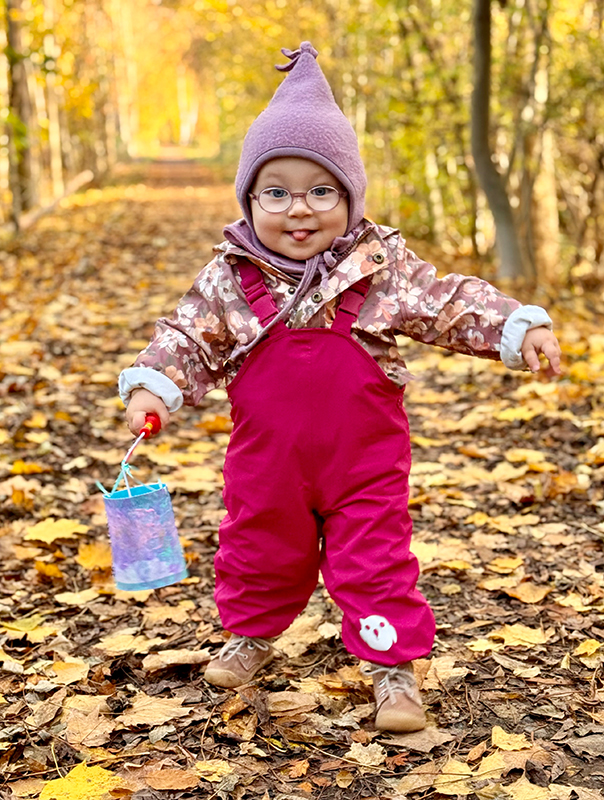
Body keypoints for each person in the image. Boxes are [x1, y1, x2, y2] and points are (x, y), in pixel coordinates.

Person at [119, 42, 561, 732]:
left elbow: (448, 302)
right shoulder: (231, 278)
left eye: (321, 190)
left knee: (375, 558)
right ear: (249, 198)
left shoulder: (379, 269)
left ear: (350, 196)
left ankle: (394, 671)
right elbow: (188, 334)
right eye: (278, 192)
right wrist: (157, 385)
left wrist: (515, 325)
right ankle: (252, 636)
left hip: (364, 462)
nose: (300, 210)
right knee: (258, 545)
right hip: (268, 463)